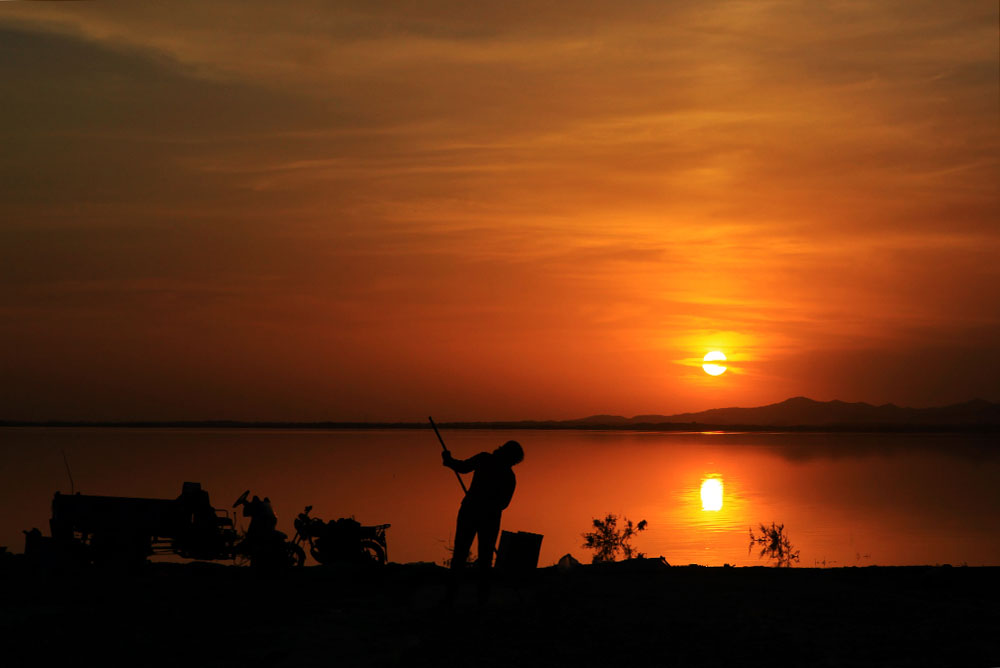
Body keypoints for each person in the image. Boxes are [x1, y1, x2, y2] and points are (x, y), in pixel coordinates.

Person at [442, 439, 524, 605]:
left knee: (460, 553)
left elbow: (462, 467)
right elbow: (504, 504)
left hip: (471, 511)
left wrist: (448, 460)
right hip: (489, 517)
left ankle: (453, 596)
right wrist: (449, 461)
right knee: (484, 558)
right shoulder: (508, 475)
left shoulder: (484, 459)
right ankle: (481, 598)